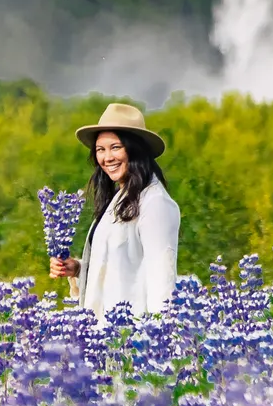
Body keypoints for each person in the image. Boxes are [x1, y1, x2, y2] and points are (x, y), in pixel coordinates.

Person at [50, 102, 180, 321]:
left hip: (134, 340)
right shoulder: (118, 199)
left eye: (116, 147)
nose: (107, 158)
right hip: (103, 337)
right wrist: (80, 269)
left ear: (136, 149)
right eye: (100, 150)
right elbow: (120, 268)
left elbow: (162, 278)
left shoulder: (155, 202)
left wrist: (160, 338)